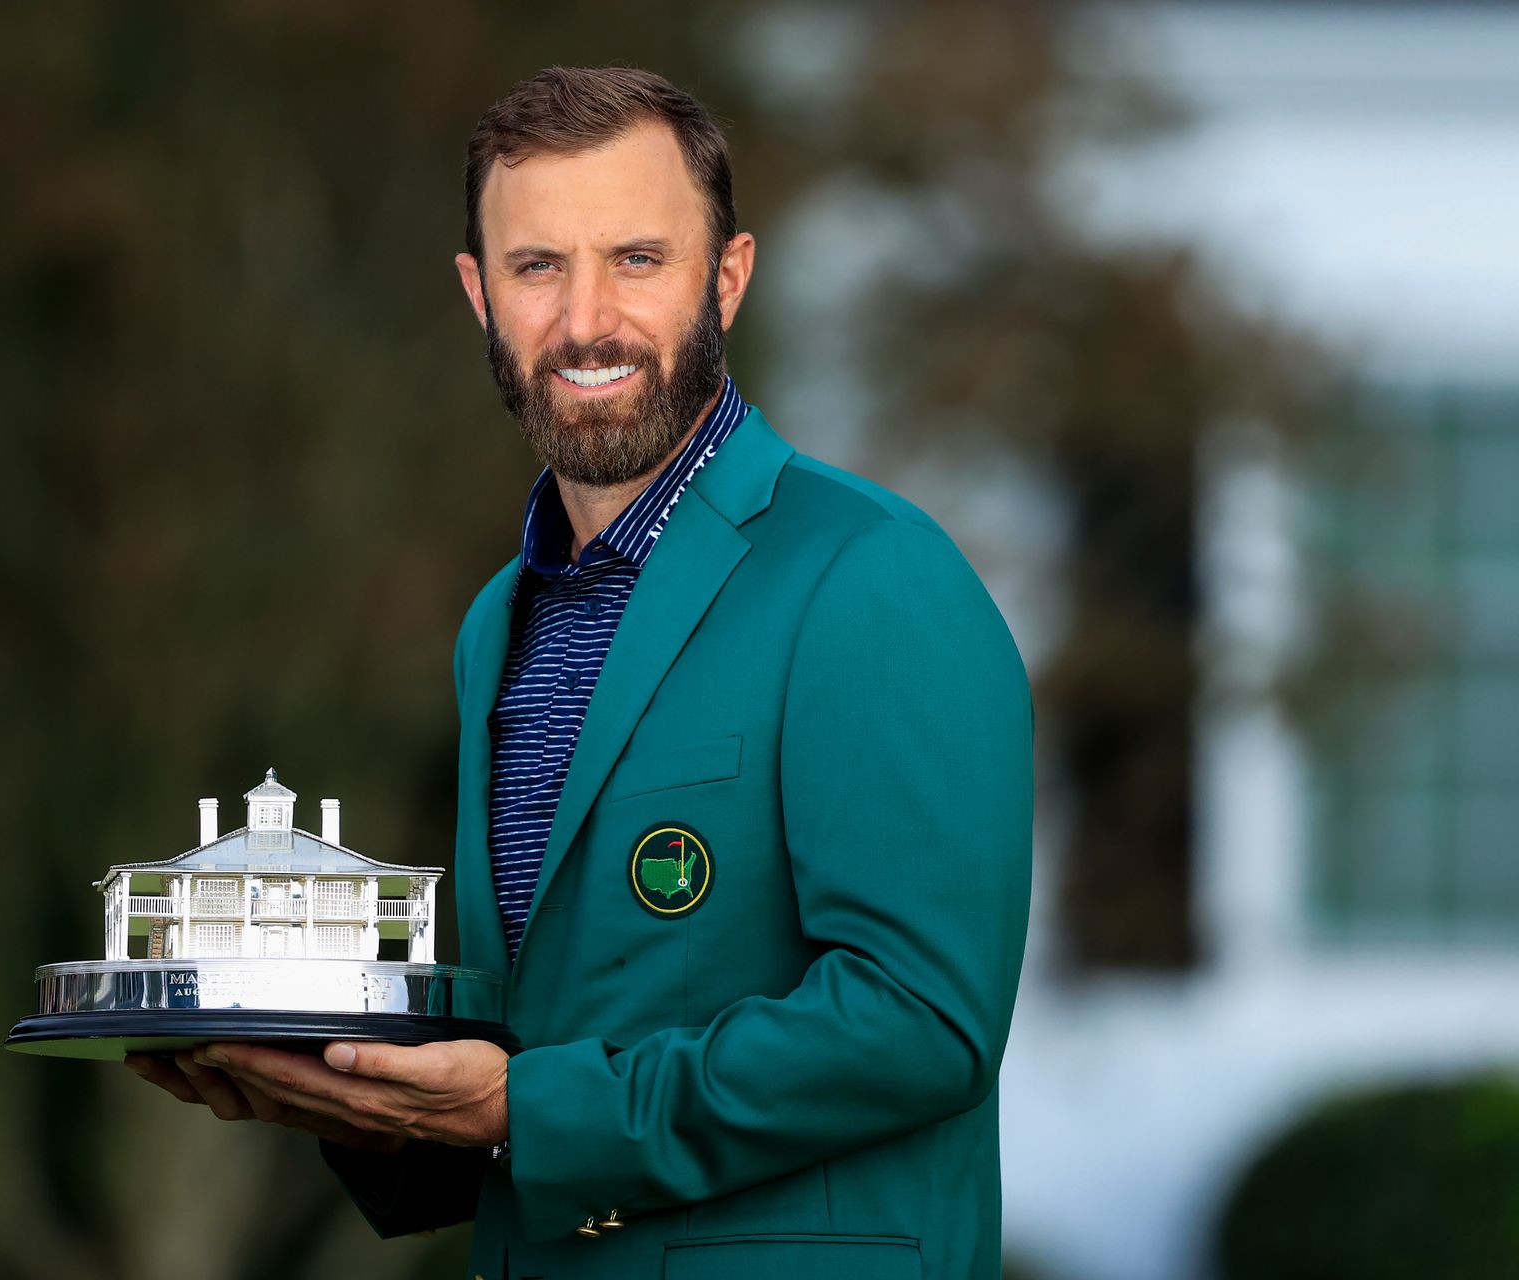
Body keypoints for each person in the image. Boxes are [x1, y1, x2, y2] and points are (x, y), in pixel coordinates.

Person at [127, 66, 1032, 1279]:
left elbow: (921, 1023)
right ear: (477, 293)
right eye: (537, 265)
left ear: (730, 276)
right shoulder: (498, 625)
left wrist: (523, 1110)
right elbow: (540, 1041)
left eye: (638, 259)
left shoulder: (873, 578)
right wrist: (351, 1099)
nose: (586, 318)